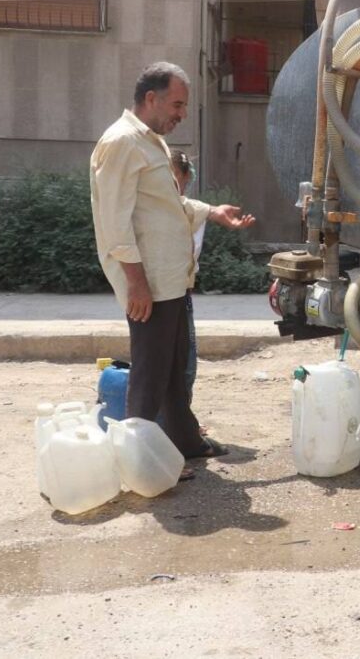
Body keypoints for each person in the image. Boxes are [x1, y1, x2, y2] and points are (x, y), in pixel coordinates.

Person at [90, 62, 255, 460]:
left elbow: (166, 206)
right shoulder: (121, 142)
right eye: (177, 105)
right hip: (149, 283)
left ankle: (185, 441)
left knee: (174, 369)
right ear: (151, 98)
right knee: (150, 374)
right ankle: (139, 459)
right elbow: (114, 223)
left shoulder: (152, 143)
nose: (182, 114)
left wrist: (212, 211)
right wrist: (137, 283)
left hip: (170, 280)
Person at [169, 150, 204, 408]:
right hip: (159, 294)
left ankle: (181, 418)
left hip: (180, 292)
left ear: (184, 178)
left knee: (186, 362)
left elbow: (190, 255)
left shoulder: (191, 212)